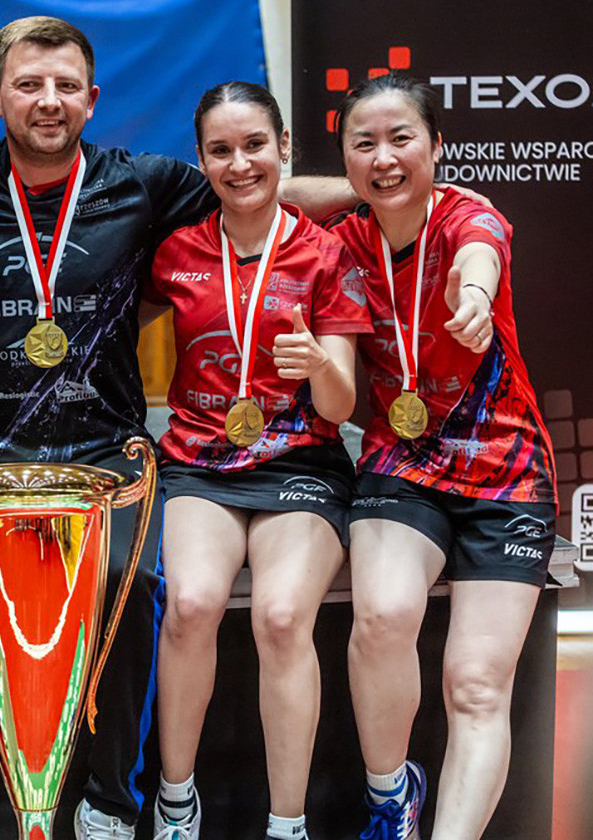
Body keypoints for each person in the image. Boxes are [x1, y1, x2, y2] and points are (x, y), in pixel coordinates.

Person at [0, 17, 361, 840]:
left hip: (105, 451)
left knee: (137, 583)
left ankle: (112, 802)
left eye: (66, 86)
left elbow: (257, 186)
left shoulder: (143, 184)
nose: (49, 101)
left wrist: (390, 192)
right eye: (29, 85)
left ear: (92, 98)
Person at [328, 73, 557, 840]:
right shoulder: (341, 244)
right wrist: (367, 180)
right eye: (365, 144)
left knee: (476, 686)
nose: (384, 157)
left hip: (507, 472)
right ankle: (392, 796)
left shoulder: (470, 217)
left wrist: (475, 298)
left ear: (437, 147)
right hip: (403, 464)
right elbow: (278, 188)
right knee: (383, 616)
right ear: (344, 159)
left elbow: (479, 258)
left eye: (403, 139)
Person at [142, 82, 371, 840]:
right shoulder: (177, 251)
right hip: (199, 463)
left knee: (280, 616)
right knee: (192, 605)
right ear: (201, 159)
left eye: (254, 146)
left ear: (284, 149)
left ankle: (286, 822)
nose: (240, 164)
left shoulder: (327, 253)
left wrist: (319, 366)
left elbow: (341, 405)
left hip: (301, 461)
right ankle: (176, 802)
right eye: (221, 151)